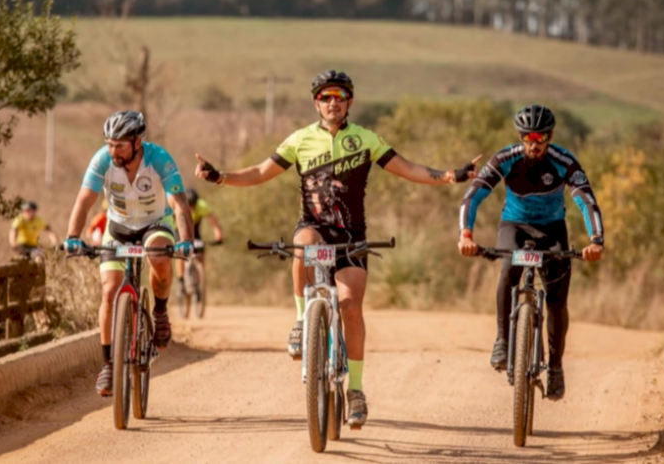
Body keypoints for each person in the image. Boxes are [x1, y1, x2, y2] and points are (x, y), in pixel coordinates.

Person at [194, 70, 479, 427]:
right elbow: (259, 172)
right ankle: (301, 321)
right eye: (326, 97)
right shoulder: (300, 140)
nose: (333, 103)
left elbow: (408, 169)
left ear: (349, 103)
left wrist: (451, 175)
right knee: (302, 246)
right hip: (314, 227)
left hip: (352, 238)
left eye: (339, 97)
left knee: (350, 308)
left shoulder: (365, 139)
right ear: (317, 103)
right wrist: (221, 177)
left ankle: (356, 390)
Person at [457, 104, 605, 401]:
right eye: (528, 137)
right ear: (520, 136)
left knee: (557, 301)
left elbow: (586, 200)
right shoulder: (506, 158)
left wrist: (596, 239)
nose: (534, 144)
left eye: (540, 137)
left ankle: (556, 368)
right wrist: (466, 234)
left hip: (552, 229)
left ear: (550, 136)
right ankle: (502, 339)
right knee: (507, 270)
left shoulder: (564, 161)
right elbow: (473, 194)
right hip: (515, 225)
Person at [63, 111, 195, 397]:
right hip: (119, 228)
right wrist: (73, 236)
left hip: (155, 223)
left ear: (138, 142)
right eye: (110, 144)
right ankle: (108, 363)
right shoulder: (102, 160)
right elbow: (84, 201)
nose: (113, 151)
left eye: (120, 145)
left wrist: (186, 240)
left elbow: (179, 203)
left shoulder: (159, 159)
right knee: (109, 290)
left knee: (158, 256)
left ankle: (160, 312)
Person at [174, 188, 224, 296]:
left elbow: (213, 221)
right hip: (179, 227)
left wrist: (218, 235)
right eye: (189, 205)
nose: (191, 208)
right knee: (180, 251)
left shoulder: (202, 206)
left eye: (193, 206)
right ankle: (180, 280)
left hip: (195, 227)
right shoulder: (179, 205)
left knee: (200, 251)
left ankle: (200, 281)